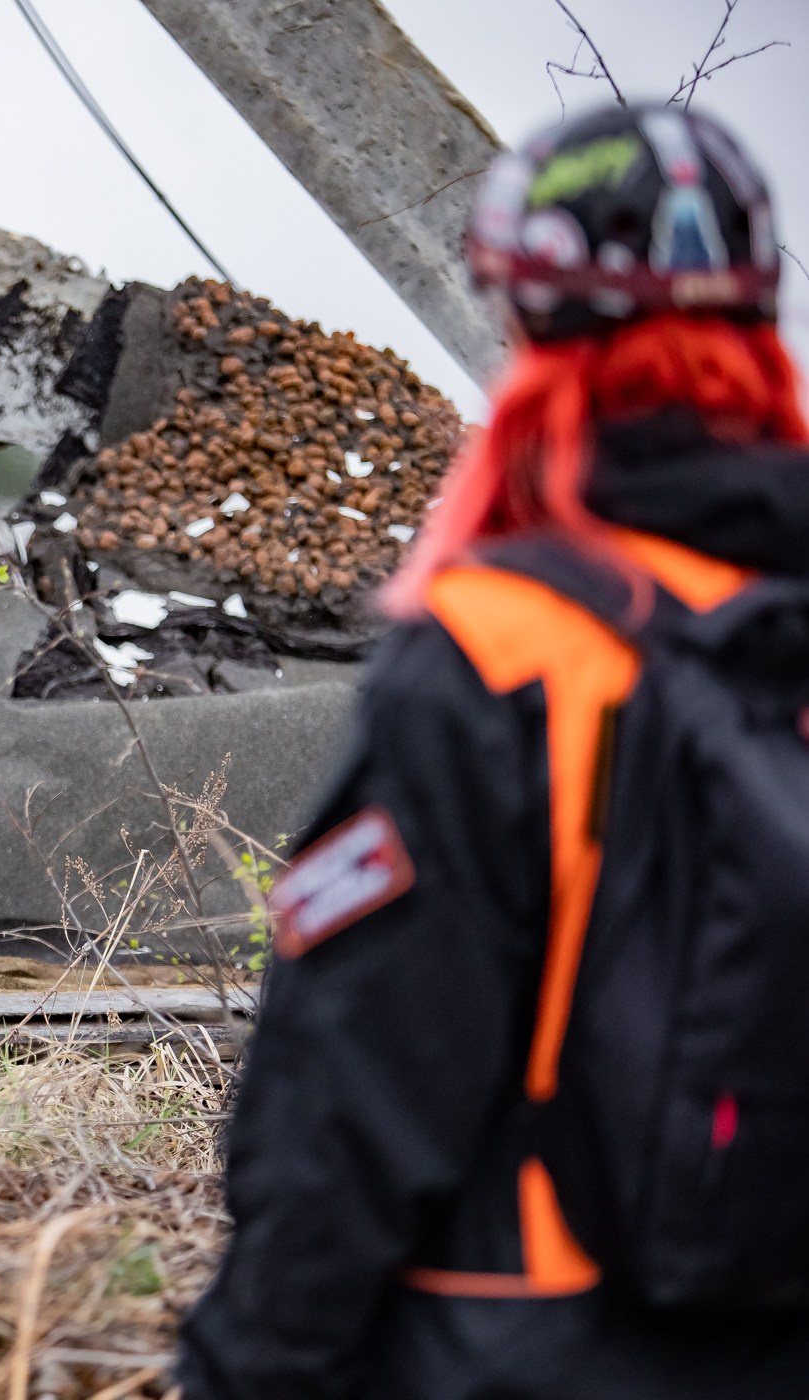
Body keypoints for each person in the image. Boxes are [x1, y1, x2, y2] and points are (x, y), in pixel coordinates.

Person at [176, 101, 809, 1399]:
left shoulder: (502, 648)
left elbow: (355, 1093)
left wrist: (247, 1364)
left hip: (526, 1341)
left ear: (523, 317)